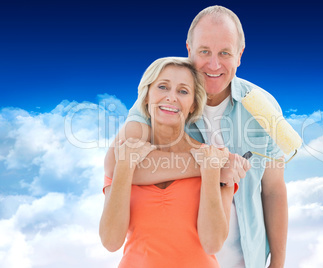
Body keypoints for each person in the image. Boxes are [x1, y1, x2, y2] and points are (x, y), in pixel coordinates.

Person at [104, 5, 288, 268]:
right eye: (204, 52)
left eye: (225, 53)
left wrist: (278, 263)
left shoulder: (263, 107)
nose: (214, 64)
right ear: (189, 50)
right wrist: (212, 165)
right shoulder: (164, 103)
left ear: (239, 55)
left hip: (248, 259)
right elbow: (116, 163)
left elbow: (273, 191)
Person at [100, 57, 238, 267]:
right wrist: (125, 167)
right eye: (163, 87)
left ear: (193, 105)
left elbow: (212, 244)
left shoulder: (215, 158)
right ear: (146, 97)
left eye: (183, 91)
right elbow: (111, 242)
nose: (171, 97)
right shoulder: (125, 156)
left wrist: (210, 171)